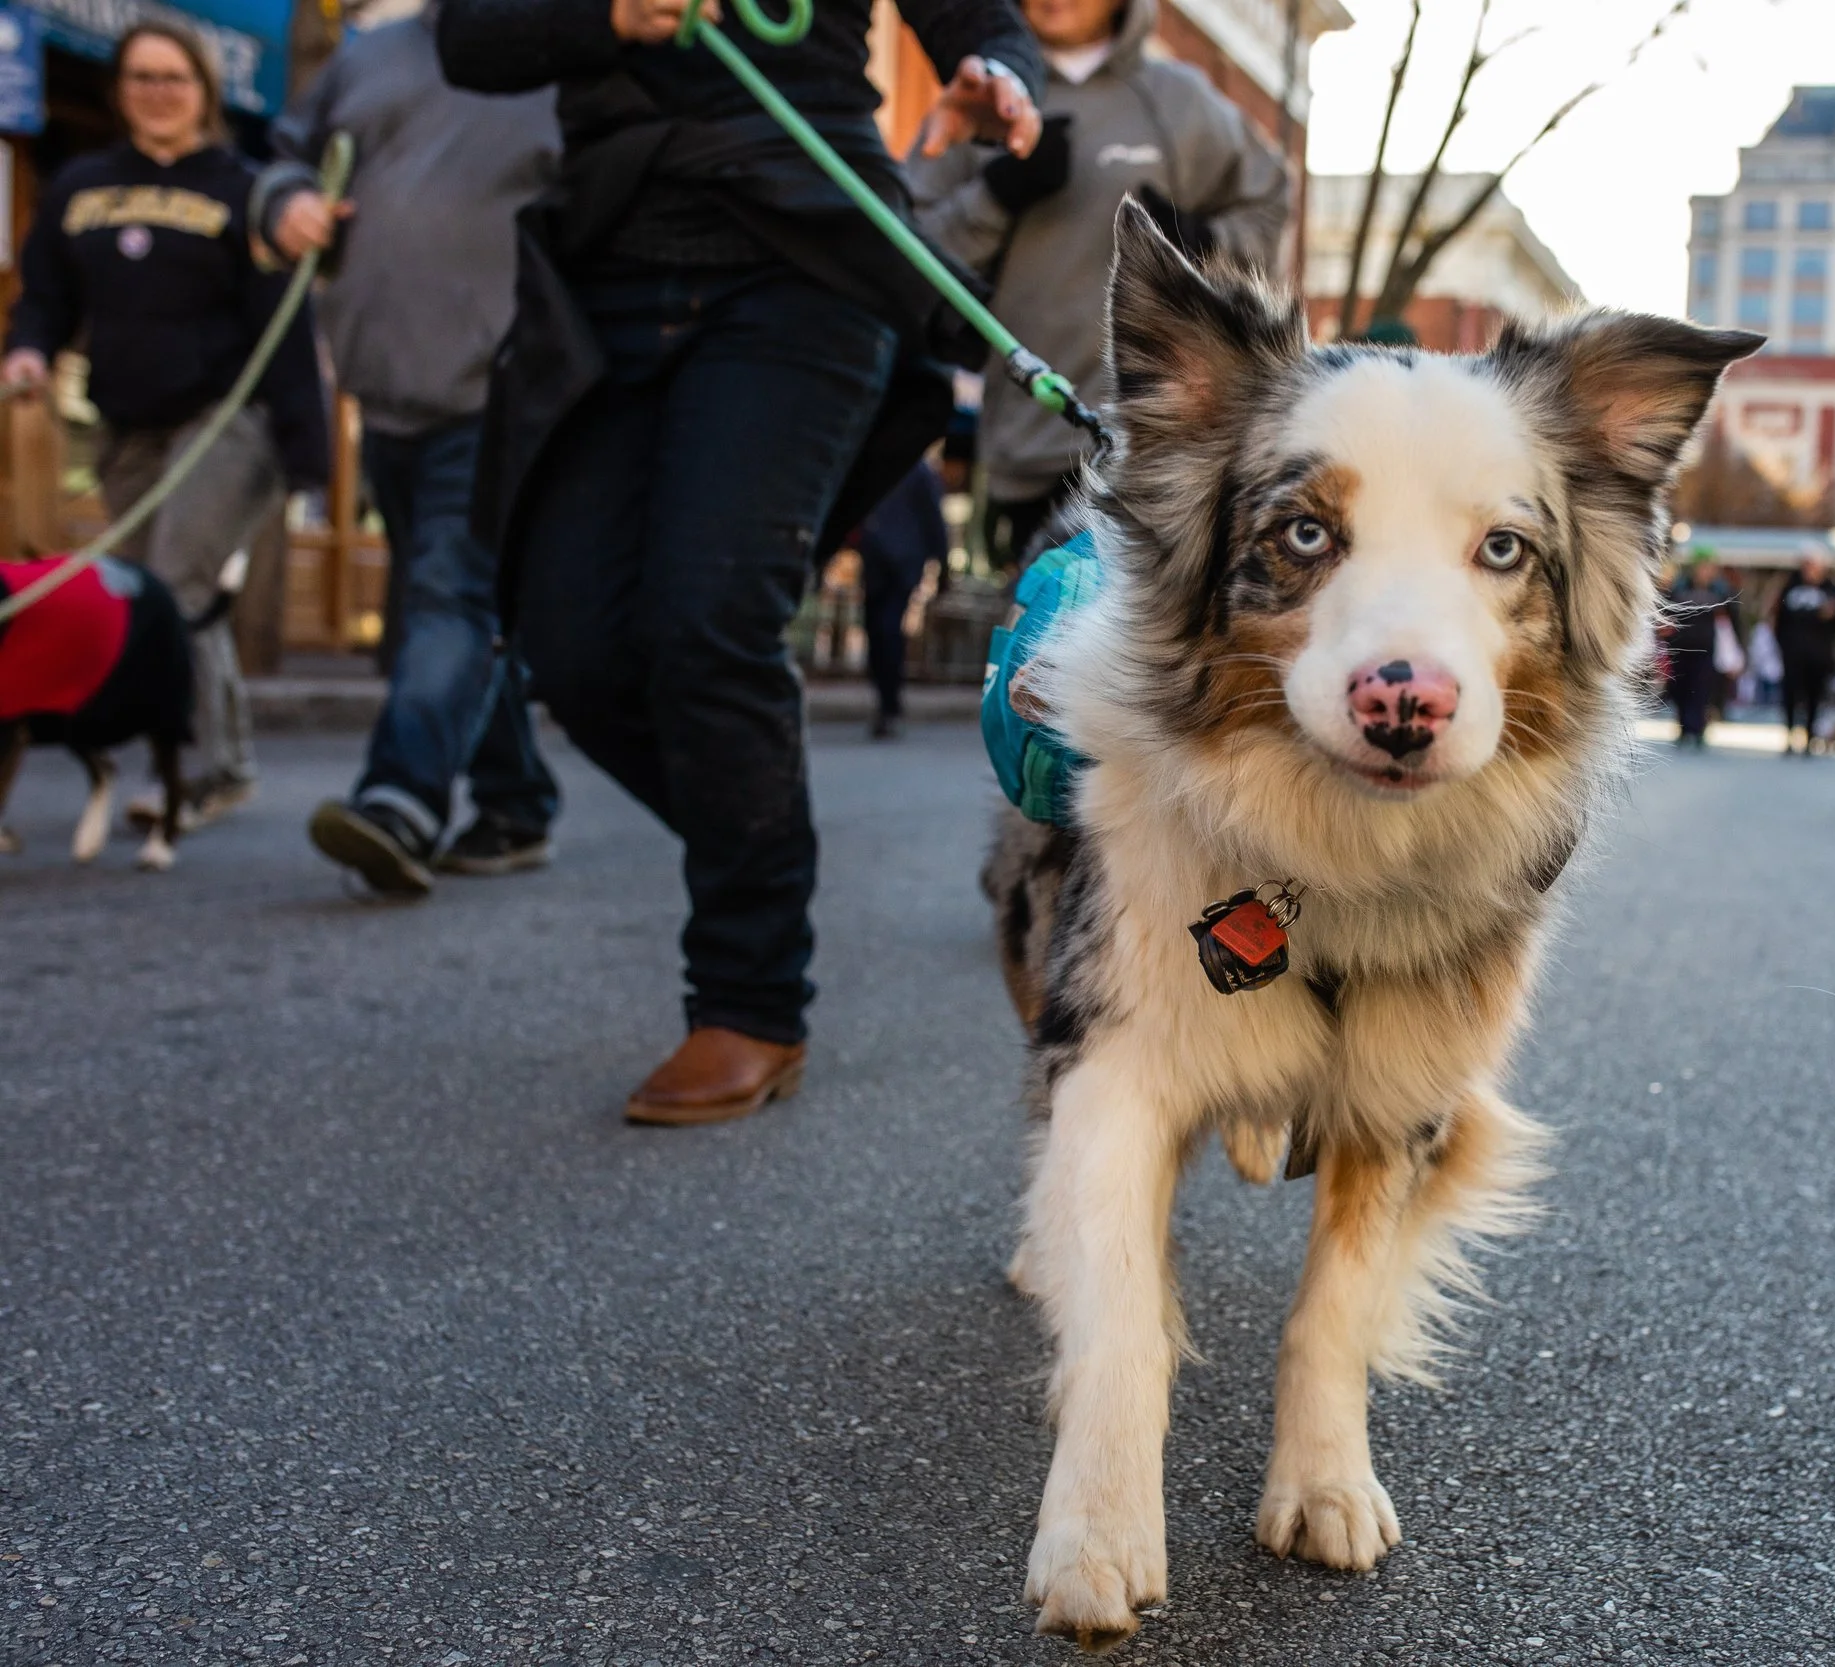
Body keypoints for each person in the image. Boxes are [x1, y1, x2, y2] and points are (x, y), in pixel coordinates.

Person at [435, 0, 1042, 1126]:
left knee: (708, 619)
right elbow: (469, 37)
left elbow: (986, 21)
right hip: (608, 258)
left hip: (805, 256)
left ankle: (749, 995)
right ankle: (753, 833)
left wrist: (998, 72)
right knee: (568, 641)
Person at [258, 3, 565, 897]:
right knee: (453, 607)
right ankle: (515, 802)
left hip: (493, 393)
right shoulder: (372, 56)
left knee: (448, 594)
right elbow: (282, 153)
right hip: (381, 391)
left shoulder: (560, 58)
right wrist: (285, 202)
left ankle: (400, 797)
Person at [1, 22, 329, 828]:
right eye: (142, 77)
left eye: (175, 77)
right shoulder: (78, 186)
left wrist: (307, 453)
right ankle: (229, 758)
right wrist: (30, 353)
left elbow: (282, 326)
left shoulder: (243, 189)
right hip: (124, 424)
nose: (158, 92)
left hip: (226, 416)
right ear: (120, 89)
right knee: (158, 599)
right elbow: (44, 296)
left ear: (206, 91)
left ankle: (202, 766)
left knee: (180, 583)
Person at [910, 0, 1287, 573]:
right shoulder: (981, 99)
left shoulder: (1178, 100)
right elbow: (910, 253)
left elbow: (1268, 201)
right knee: (1043, 629)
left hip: (1159, 439)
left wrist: (1203, 241)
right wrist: (995, 198)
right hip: (1032, 432)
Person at [851, 456, 949, 739]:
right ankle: (885, 698)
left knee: (888, 629)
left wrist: (942, 566)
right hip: (875, 564)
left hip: (904, 565)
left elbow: (933, 519)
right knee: (875, 630)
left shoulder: (918, 471)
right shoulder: (875, 466)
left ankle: (889, 703)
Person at [1771, 552, 1835, 754]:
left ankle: (1809, 736)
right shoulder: (1790, 588)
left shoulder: (1832, 591)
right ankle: (1790, 734)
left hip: (1819, 655)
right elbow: (1777, 617)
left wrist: (1834, 613)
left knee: (1813, 696)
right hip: (1793, 654)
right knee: (1790, 695)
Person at [1663, 556, 1738, 749]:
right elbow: (1665, 614)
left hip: (1706, 649)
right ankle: (1683, 726)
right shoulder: (1679, 589)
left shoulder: (1721, 592)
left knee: (1701, 691)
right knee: (1680, 689)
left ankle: (1697, 728)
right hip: (1681, 647)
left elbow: (1732, 623)